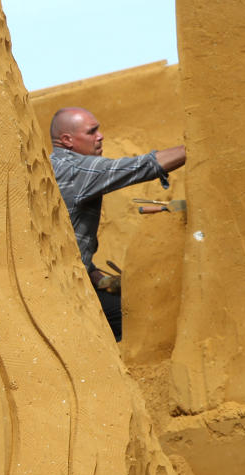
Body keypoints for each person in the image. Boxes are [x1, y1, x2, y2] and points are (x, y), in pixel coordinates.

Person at [49, 106, 186, 341]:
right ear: (67, 140)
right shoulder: (75, 170)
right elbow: (140, 167)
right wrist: (194, 146)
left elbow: (68, 241)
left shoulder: (58, 164)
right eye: (92, 132)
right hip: (61, 290)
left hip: (70, 277)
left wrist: (98, 278)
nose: (100, 136)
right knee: (130, 322)